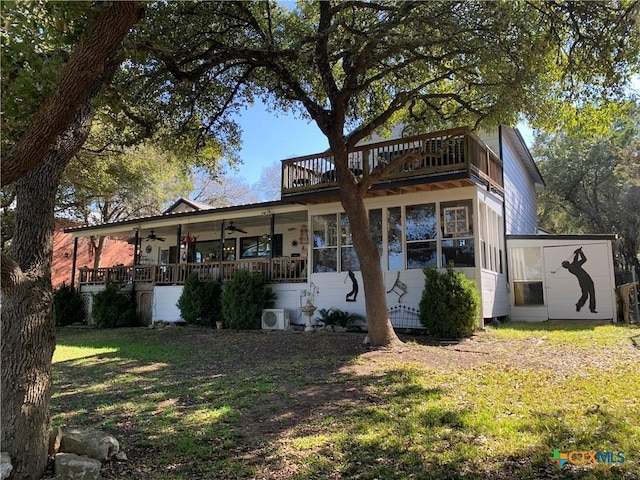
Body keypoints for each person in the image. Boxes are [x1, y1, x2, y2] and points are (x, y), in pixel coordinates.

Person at [562, 247, 597, 313]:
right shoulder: (573, 267)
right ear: (567, 264)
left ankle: (579, 304)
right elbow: (582, 259)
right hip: (587, 280)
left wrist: (578, 253)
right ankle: (591, 308)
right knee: (591, 294)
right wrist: (579, 252)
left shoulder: (571, 268)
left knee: (585, 295)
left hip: (582, 282)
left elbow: (581, 260)